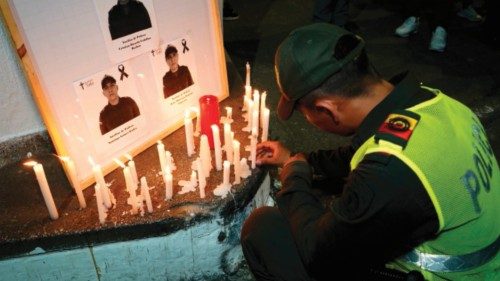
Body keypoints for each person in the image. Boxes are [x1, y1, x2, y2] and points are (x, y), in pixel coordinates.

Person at [240, 23, 499, 280]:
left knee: (263, 228)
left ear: (327, 110)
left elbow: (319, 253)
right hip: (482, 256)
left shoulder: (389, 174)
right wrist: (298, 158)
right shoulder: (432, 103)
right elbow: (366, 153)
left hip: (454, 276)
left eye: (304, 114)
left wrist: (294, 177)